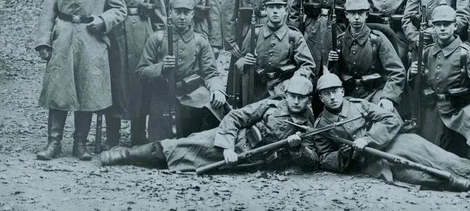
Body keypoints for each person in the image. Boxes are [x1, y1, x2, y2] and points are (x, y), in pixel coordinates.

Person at [312, 73, 470, 196]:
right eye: (326, 94)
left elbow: (390, 119)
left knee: (445, 159)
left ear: (342, 91)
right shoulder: (321, 125)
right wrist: (345, 154)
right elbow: (324, 158)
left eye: (335, 91)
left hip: (396, 142)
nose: (332, 97)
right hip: (373, 161)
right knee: (421, 175)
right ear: (321, 98)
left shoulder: (359, 106)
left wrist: (368, 138)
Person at [35, 0, 127, 161]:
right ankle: (53, 143)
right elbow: (48, 10)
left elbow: (120, 9)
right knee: (59, 89)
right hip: (64, 36)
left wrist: (103, 20)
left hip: (92, 39)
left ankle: (80, 144)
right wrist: (44, 41)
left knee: (88, 91)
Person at [100, 77, 318, 173]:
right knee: (183, 146)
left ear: (309, 99)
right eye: (292, 96)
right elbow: (235, 118)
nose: (296, 101)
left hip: (251, 160)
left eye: (301, 97)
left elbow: (311, 161)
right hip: (232, 139)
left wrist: (297, 148)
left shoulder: (308, 125)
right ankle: (125, 155)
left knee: (189, 165)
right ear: (286, 95)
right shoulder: (271, 105)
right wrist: (227, 147)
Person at [103, 0, 167, 148]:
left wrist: (161, 35)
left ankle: (139, 134)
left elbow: (159, 7)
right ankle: (113, 135)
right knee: (116, 81)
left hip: (142, 31)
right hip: (116, 32)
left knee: (141, 81)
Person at [409, 5, 470, 162]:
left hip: (459, 111)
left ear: (455, 26)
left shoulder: (466, 53)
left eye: (447, 24)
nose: (442, 29)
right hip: (433, 112)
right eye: (438, 24)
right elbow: (417, 86)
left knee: (467, 152)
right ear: (432, 27)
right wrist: (412, 73)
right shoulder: (427, 52)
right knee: (427, 156)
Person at [136, 0, 226, 141]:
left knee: (198, 139)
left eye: (186, 12)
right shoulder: (157, 39)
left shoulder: (200, 41)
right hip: (162, 98)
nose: (182, 17)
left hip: (192, 97)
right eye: (178, 12)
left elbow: (211, 73)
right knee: (160, 149)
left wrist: (217, 89)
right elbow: (141, 73)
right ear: (170, 12)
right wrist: (161, 67)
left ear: (192, 14)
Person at [327, 0, 406, 113]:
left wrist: (388, 97)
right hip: (348, 95)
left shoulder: (377, 39)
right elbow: (334, 76)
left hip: (375, 93)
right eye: (352, 13)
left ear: (367, 14)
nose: (357, 18)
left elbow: (397, 72)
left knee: (386, 119)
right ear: (346, 14)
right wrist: (331, 62)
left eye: (361, 13)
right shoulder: (339, 42)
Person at [235, 0, 315, 105]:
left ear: (285, 11)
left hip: (283, 91)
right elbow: (240, 60)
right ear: (265, 11)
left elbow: (307, 66)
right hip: (256, 90)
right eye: (271, 7)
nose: (275, 11)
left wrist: (293, 81)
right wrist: (245, 61)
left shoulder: (293, 36)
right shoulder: (255, 33)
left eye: (279, 7)